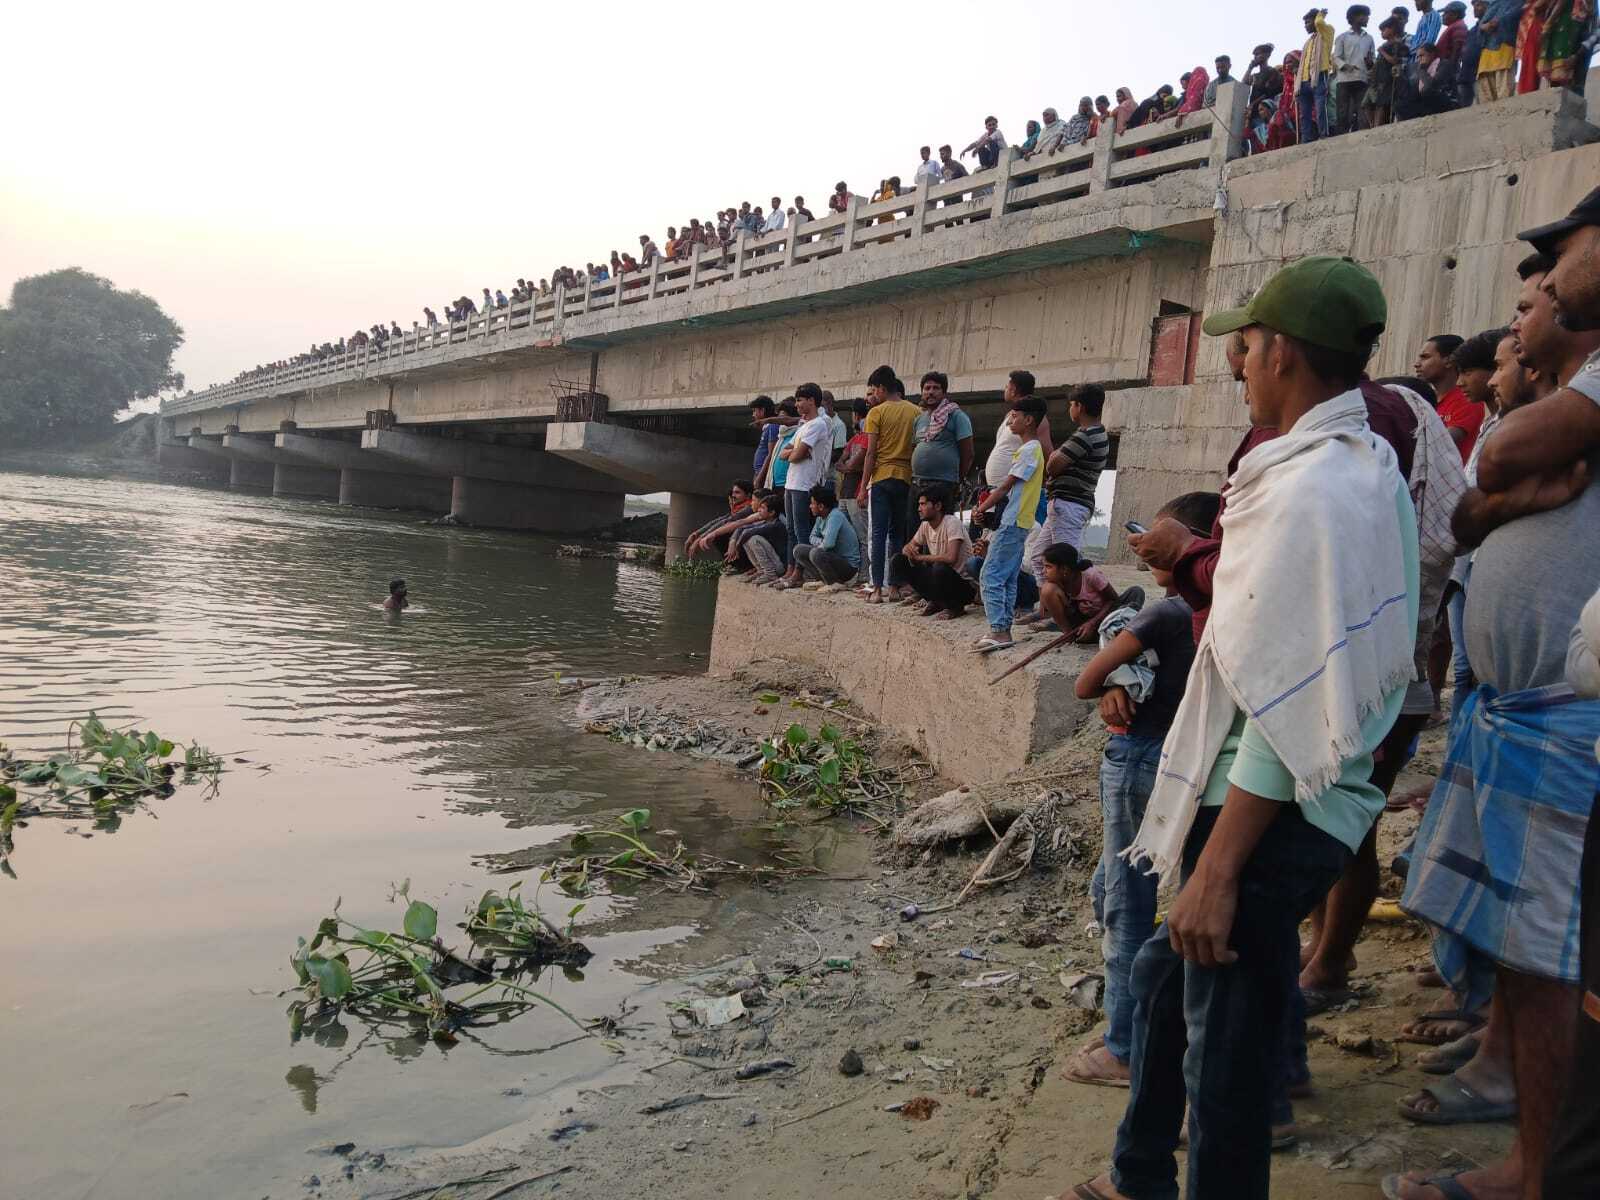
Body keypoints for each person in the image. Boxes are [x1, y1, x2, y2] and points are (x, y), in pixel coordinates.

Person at [1073, 257, 1417, 1200]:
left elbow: (1283, 703)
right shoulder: (1360, 464)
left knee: (1223, 1064)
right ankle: (1138, 1173)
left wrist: (1219, 871)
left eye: (1250, 345)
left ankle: (1158, 1177)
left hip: (1266, 808)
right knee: (1165, 983)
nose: (1240, 365)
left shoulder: (1311, 492)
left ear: (1285, 354)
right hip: (1297, 797)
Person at [1386, 198, 1600, 1200]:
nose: (1534, 297)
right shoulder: (1554, 399)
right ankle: (1518, 1110)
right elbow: (1469, 511)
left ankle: (1538, 1171)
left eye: (1553, 273)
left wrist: (1505, 477)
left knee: (1551, 952)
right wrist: (1508, 500)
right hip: (1519, 712)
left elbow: (1499, 460)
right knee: (1523, 944)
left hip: (1565, 715)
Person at [1064, 491, 1217, 1089]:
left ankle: (1125, 1047)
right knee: (1114, 888)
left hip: (1137, 761)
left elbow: (1084, 683)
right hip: (1191, 764)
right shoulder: (1219, 611)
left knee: (1126, 903)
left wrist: (1112, 681)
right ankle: (1145, 1012)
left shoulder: (1165, 615)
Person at [1018, 384, 1109, 625]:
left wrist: (1055, 460)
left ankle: (1071, 612)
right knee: (1039, 557)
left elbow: (1053, 464)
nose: (1070, 409)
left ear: (1079, 406)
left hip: (1069, 504)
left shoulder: (1086, 435)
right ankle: (1047, 609)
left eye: (1071, 404)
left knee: (1065, 563)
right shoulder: (1092, 434)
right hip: (1064, 504)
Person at [969, 394, 1047, 653]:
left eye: (1014, 416)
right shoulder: (1030, 449)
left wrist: (981, 507)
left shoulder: (1029, 449)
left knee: (990, 574)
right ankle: (1002, 628)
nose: (1010, 421)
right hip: (1017, 520)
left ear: (1029, 420)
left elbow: (1005, 487)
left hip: (1014, 521)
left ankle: (999, 630)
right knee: (1008, 576)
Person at [856, 368, 921, 604]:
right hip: (905, 477)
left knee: (878, 533)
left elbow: (870, 453)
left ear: (882, 388)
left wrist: (863, 487)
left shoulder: (876, 412)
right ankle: (894, 586)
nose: (874, 395)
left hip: (882, 478)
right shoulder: (915, 411)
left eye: (875, 390)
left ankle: (877, 588)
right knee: (896, 535)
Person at [772, 384, 834, 590]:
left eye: (800, 400)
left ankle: (801, 572)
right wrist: (796, 453)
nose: (797, 404)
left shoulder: (818, 424)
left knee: (801, 530)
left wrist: (796, 453)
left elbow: (795, 454)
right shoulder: (803, 426)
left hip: (804, 484)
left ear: (812, 401)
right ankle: (791, 569)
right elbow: (787, 452)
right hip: (791, 483)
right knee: (791, 529)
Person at [888, 485, 975, 618]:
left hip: (963, 586)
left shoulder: (952, 523)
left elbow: (951, 558)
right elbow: (909, 546)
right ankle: (937, 601)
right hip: (940, 581)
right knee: (898, 560)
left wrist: (920, 557)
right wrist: (908, 550)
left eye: (923, 504)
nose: (919, 509)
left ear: (938, 506)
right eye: (919, 504)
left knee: (940, 568)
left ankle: (955, 607)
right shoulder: (925, 525)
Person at [910, 371, 974, 521]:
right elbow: (914, 447)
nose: (930, 392)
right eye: (927, 388)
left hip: (943, 485)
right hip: (917, 484)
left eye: (936, 388)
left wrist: (957, 480)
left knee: (941, 529)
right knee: (914, 529)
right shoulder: (919, 420)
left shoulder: (957, 416)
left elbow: (968, 453)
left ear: (944, 393)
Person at [1037, 542, 1126, 643]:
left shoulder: (1091, 575)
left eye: (1048, 567)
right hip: (1080, 626)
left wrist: (1092, 623)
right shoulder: (1055, 584)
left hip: (1103, 619)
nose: (1043, 571)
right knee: (1047, 589)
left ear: (1064, 569)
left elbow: (1113, 600)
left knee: (1135, 592)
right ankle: (1068, 635)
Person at [1416, 334, 1481, 458]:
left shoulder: (1467, 398)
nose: (1417, 364)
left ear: (1449, 361)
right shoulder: (1426, 399)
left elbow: (1442, 442)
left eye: (1425, 357)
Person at [793, 485, 861, 589]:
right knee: (798, 550)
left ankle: (834, 583)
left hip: (848, 567)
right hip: (833, 557)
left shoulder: (835, 516)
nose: (810, 506)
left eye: (812, 503)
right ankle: (823, 580)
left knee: (815, 553)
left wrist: (823, 543)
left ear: (821, 506)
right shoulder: (820, 518)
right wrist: (822, 541)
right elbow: (812, 537)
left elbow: (829, 544)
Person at [684, 480, 755, 560]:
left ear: (748, 495)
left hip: (748, 546)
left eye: (737, 492)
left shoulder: (749, 508)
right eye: (733, 493)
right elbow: (719, 520)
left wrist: (701, 538)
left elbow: (726, 522)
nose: (733, 496)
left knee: (720, 535)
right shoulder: (737, 509)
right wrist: (696, 534)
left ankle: (737, 564)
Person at [1334, 5, 1377, 132]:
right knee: (1343, 113)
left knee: (1362, 110)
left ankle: (1362, 137)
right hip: (1344, 80)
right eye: (1365, 16)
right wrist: (1345, 66)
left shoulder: (1369, 38)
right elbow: (1336, 58)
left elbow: (1373, 58)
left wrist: (1371, 63)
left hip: (1362, 79)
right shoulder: (1342, 37)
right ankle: (1341, 138)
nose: (1367, 18)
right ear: (1354, 17)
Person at [1299, 7, 1337, 141]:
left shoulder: (1327, 32)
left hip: (1319, 77)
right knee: (1304, 113)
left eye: (1308, 22)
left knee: (1320, 108)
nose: (1305, 26)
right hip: (1304, 80)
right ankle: (1306, 139)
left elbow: (1319, 23)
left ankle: (1323, 134)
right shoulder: (1308, 42)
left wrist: (1320, 15)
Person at [1473, 0, 1523, 101]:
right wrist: (1485, 26)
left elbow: (1513, 16)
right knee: (1485, 89)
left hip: (1505, 46)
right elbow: (1481, 25)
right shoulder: (1494, 3)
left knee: (1504, 89)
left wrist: (1496, 22)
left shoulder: (1517, 2)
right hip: (1487, 51)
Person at [839, 398, 872, 551]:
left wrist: (850, 467)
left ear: (855, 415)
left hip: (857, 493)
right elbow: (840, 463)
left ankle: (865, 567)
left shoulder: (867, 437)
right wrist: (851, 467)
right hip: (846, 492)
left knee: (863, 537)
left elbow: (851, 464)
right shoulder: (855, 438)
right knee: (847, 536)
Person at [734, 493, 789, 585]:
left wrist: (737, 547)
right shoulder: (766, 522)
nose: (759, 510)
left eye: (762, 508)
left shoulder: (776, 525)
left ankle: (769, 573)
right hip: (775, 563)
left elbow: (748, 533)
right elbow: (743, 529)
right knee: (747, 539)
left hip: (781, 566)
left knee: (754, 539)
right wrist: (735, 542)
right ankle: (761, 570)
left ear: (772, 513)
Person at [1366, 15, 1409, 124]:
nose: (1382, 33)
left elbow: (1395, 61)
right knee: (1367, 104)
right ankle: (1373, 126)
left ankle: (1377, 127)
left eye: (1383, 30)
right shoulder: (1385, 45)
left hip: (1387, 81)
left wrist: (1382, 52)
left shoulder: (1397, 44)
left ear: (1392, 29)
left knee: (1381, 105)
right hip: (1377, 81)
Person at [750, 395, 783, 478]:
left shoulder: (773, 425)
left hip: (764, 475)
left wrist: (760, 477)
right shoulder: (767, 427)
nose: (753, 415)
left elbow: (771, 453)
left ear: (762, 410)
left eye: (754, 411)